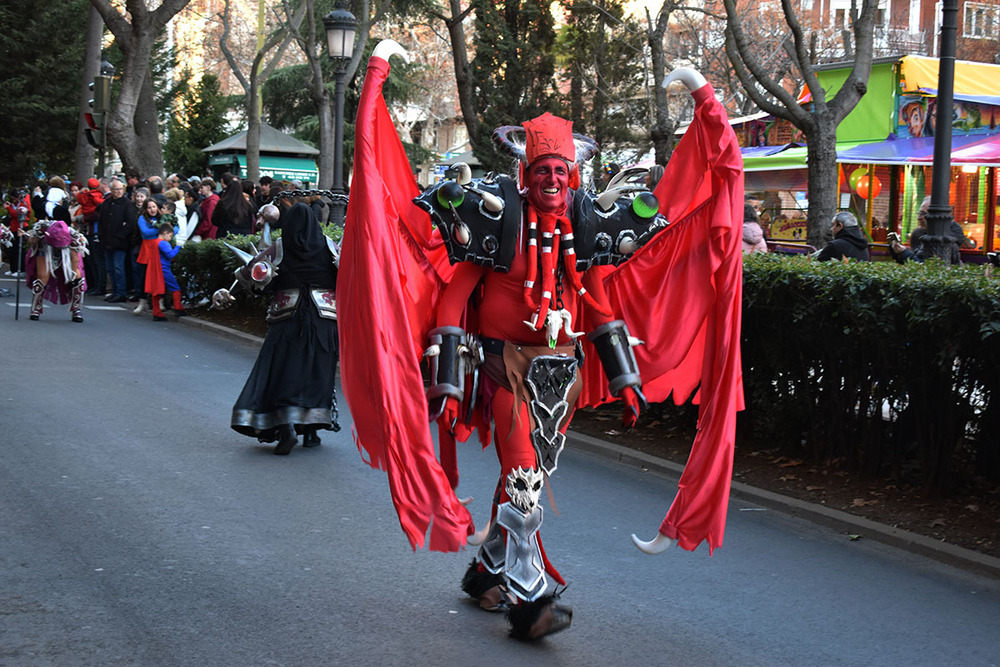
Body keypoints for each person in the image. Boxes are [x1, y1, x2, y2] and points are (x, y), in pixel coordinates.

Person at [341, 42, 745, 642]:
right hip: (505, 368)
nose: (553, 180)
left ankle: (486, 575)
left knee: (517, 475)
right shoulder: (497, 220)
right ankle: (530, 604)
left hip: (562, 377)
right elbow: (454, 298)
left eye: (561, 172)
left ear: (572, 177)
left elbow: (602, 305)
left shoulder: (586, 227)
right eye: (542, 172)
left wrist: (627, 379)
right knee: (525, 475)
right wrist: (449, 383)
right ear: (525, 177)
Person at [214, 201, 341, 455]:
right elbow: (346, 278)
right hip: (324, 320)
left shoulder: (280, 247)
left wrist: (229, 292)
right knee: (317, 372)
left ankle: (287, 429)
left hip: (287, 318)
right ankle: (312, 433)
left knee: (283, 372)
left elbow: (253, 277)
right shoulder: (329, 246)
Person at [19, 219, 88, 322]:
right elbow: (31, 240)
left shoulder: (73, 237)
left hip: (66, 253)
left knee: (77, 277)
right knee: (42, 277)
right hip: (45, 250)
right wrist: (25, 236)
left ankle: (77, 309)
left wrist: (72, 273)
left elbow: (75, 259)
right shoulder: (41, 232)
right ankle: (36, 308)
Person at [889, 196, 973, 265]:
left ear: (937, 216)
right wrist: (897, 251)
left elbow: (926, 270)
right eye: (919, 213)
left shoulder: (945, 241)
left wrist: (903, 253)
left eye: (923, 214)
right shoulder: (918, 234)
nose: (919, 218)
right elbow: (914, 262)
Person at [98, 180, 135, 302]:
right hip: (106, 241)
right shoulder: (107, 203)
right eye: (116, 189)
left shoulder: (127, 204)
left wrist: (120, 236)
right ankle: (114, 291)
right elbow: (102, 221)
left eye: (120, 189)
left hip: (120, 242)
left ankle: (121, 292)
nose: (119, 191)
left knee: (118, 267)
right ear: (111, 190)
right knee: (110, 268)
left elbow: (129, 223)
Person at [134, 198, 163, 316]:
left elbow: (173, 229)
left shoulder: (163, 217)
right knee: (143, 277)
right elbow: (145, 233)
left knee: (159, 277)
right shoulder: (142, 218)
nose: (152, 210)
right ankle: (142, 302)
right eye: (149, 207)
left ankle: (160, 301)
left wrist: (161, 229)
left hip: (159, 249)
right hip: (147, 250)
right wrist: (159, 229)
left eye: (154, 207)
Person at [153, 222, 186, 321]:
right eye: (170, 235)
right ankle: (178, 308)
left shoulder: (155, 242)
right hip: (164, 269)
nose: (171, 238)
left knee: (157, 292)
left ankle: (157, 312)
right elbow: (170, 255)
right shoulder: (163, 243)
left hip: (156, 269)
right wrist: (178, 247)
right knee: (175, 288)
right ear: (165, 233)